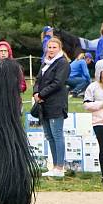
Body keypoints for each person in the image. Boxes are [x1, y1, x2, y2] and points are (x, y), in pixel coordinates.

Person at [34, 37, 70, 178]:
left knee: (57, 135)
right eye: (49, 47)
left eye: (54, 47)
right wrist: (36, 92)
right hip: (44, 104)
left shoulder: (62, 63)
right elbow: (37, 79)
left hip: (56, 104)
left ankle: (60, 167)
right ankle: (55, 166)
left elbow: (58, 83)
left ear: (59, 48)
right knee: (49, 136)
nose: (51, 50)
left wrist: (42, 94)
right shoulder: (45, 63)